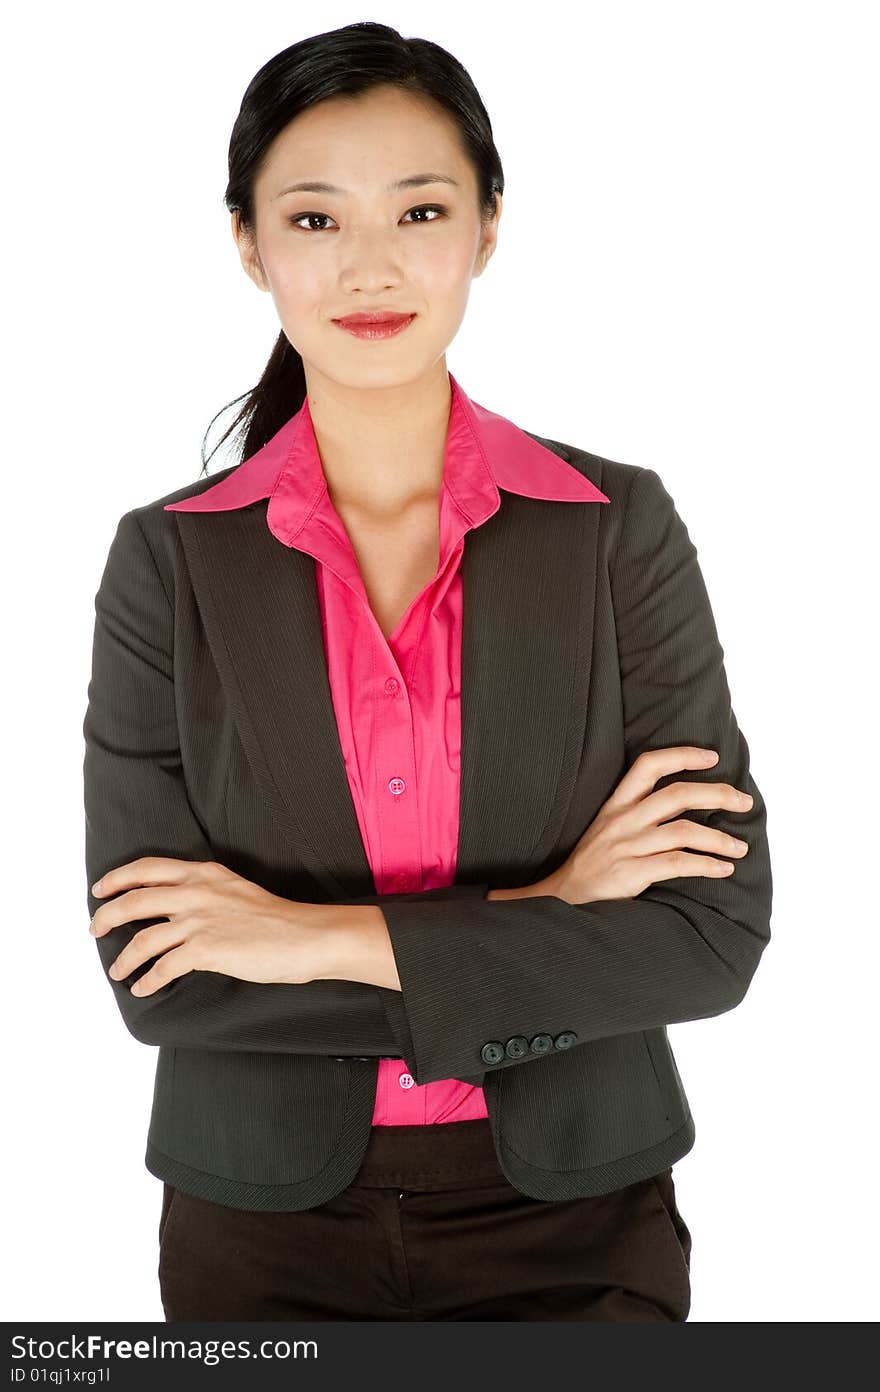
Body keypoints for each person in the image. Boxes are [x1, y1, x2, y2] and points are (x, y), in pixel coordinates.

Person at [83, 21, 772, 1323]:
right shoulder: (168, 566)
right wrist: (555, 907)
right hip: (259, 1226)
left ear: (490, 227)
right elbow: (159, 976)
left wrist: (298, 941)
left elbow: (705, 938)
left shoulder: (615, 529)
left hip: (578, 1215)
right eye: (314, 219)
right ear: (248, 246)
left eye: (420, 207)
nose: (373, 264)